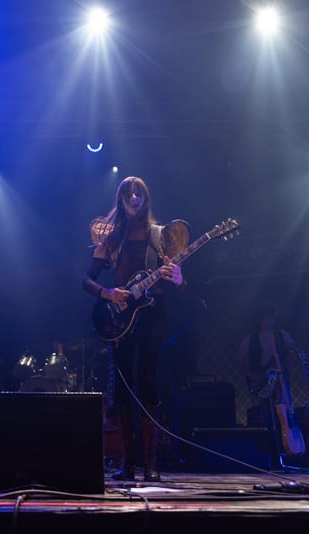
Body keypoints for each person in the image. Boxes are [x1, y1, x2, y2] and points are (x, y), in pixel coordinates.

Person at [82, 176, 188, 482]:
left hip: (153, 315)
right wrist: (108, 293)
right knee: (124, 385)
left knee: (149, 381)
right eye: (128, 193)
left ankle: (151, 464)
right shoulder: (111, 238)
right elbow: (86, 280)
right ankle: (127, 462)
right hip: (119, 319)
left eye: (138, 193)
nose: (133, 197)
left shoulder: (159, 235)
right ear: (121, 199)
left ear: (145, 198)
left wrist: (179, 278)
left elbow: (178, 284)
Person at [235, 305, 301, 456]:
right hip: (261, 379)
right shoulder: (250, 338)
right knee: (266, 413)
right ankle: (268, 449)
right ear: (259, 320)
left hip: (280, 378)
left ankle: (288, 446)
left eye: (270, 317)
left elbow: (292, 352)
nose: (268, 320)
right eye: (264, 317)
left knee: (285, 411)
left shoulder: (282, 335)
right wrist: (250, 375)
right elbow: (241, 359)